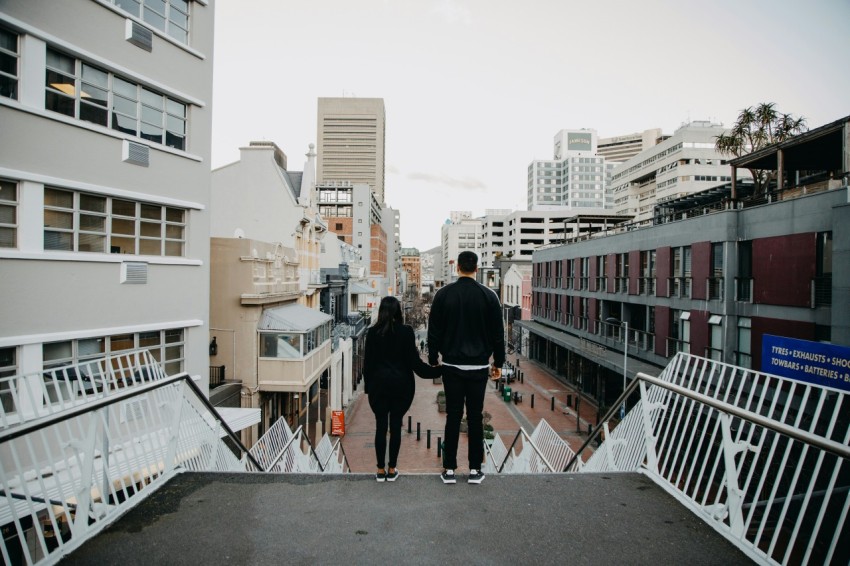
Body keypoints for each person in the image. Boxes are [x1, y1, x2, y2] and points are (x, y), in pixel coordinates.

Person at [428, 251, 505, 484]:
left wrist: (434, 358)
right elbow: (498, 334)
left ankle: (449, 469)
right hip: (479, 367)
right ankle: (474, 470)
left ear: (458, 267)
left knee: (453, 416)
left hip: (451, 365)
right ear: (476, 268)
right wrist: (498, 363)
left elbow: (434, 330)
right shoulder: (489, 296)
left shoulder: (443, 294)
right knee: (475, 417)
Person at [364, 296, 440, 482]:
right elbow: (415, 364)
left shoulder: (372, 333)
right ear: (398, 311)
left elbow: (368, 365)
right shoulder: (406, 332)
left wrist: (368, 388)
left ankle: (380, 470)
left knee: (380, 427)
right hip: (401, 387)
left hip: (379, 387)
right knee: (396, 425)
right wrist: (438, 371)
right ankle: (392, 469)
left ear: (381, 311)